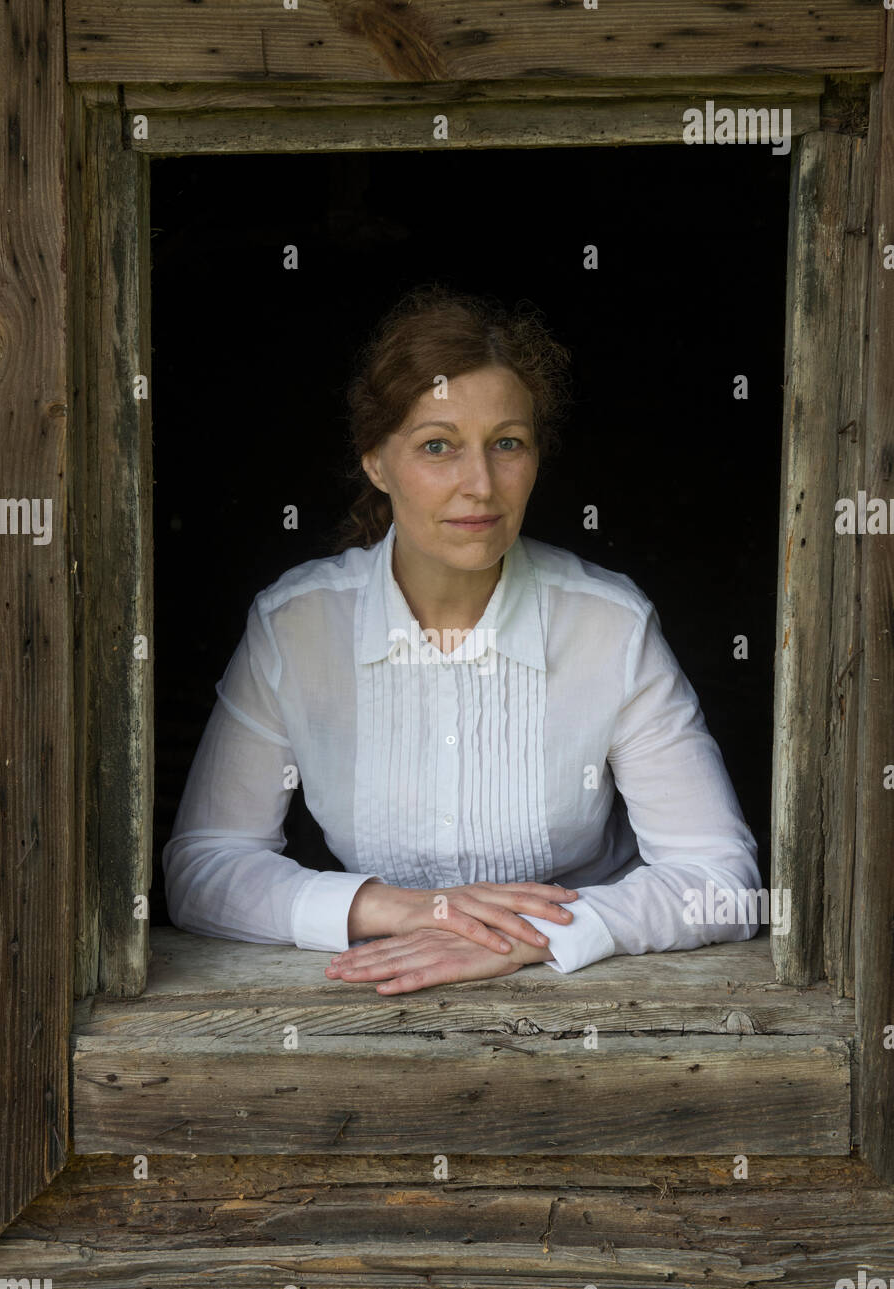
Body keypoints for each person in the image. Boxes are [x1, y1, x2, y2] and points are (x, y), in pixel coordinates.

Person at [163, 283, 761, 996]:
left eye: (506, 444)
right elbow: (203, 867)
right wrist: (396, 909)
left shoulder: (608, 625)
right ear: (376, 462)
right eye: (437, 447)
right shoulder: (297, 625)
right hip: (364, 1003)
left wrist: (525, 939)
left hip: (585, 1010)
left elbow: (721, 884)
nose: (479, 485)